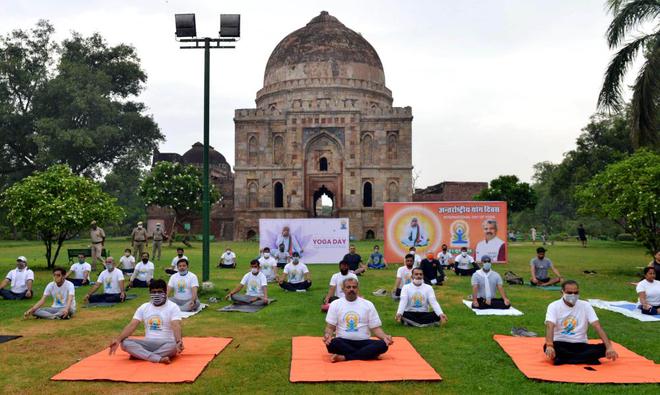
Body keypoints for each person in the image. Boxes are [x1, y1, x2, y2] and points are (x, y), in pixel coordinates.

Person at [544, 280, 618, 365]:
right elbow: (550, 326)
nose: (573, 295)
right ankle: (586, 359)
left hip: (581, 344)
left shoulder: (585, 305)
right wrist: (550, 345)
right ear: (562, 292)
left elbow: (597, 326)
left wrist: (609, 347)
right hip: (560, 343)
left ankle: (566, 359)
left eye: (576, 293)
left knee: (605, 347)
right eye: (569, 292)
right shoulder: (554, 306)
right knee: (548, 347)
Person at [109, 279, 183, 364]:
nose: (156, 294)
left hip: (166, 343)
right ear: (150, 293)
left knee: (173, 347)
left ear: (165, 292)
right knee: (124, 343)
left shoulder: (173, 307)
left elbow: (176, 325)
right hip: (147, 343)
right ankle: (157, 358)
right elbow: (132, 325)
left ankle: (140, 355)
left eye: (159, 292)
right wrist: (118, 340)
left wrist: (178, 341)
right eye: (153, 292)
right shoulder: (144, 307)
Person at [323, 278, 393, 362]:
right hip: (343, 342)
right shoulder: (335, 304)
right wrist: (328, 336)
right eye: (348, 287)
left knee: (382, 345)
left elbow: (375, 328)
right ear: (343, 289)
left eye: (354, 287)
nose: (351, 289)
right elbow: (330, 327)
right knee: (332, 343)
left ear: (357, 289)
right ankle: (368, 355)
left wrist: (385, 337)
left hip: (364, 342)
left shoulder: (368, 304)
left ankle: (345, 357)